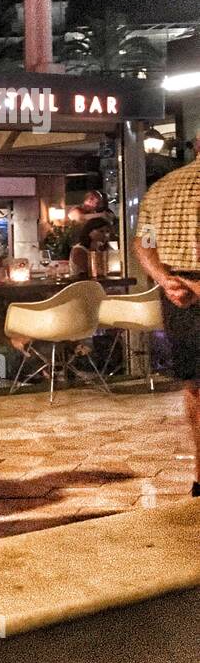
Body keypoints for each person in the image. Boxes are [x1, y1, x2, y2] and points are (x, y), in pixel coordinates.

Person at [132, 139, 200, 498]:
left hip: (177, 296)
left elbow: (143, 244)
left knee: (195, 386)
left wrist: (165, 279)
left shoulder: (162, 189)